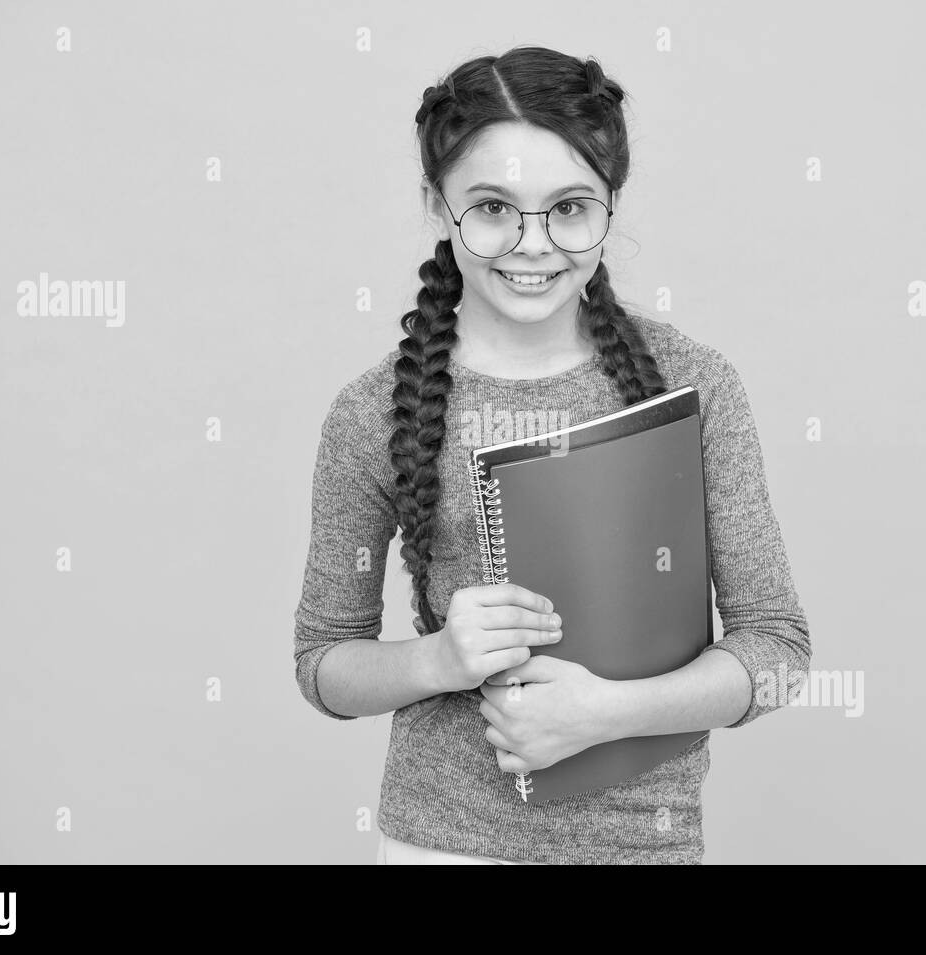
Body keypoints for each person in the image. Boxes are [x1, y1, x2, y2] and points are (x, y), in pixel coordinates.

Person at [293, 45, 811, 865]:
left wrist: (606, 712)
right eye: (493, 207)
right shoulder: (370, 412)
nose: (533, 245)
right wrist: (438, 658)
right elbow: (323, 664)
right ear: (437, 202)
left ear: (611, 202)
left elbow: (778, 648)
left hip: (647, 845)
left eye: (569, 208)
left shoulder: (694, 381)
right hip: (444, 847)